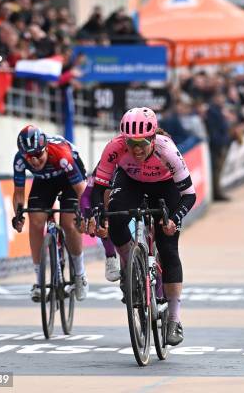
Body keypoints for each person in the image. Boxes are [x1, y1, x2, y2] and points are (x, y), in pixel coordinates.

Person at [86, 107, 196, 346]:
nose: (135, 149)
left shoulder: (167, 150)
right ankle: (129, 269)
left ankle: (174, 320)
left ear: (153, 138)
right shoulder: (114, 148)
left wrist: (174, 219)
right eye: (130, 143)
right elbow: (98, 188)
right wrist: (98, 214)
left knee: (168, 248)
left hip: (165, 188)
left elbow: (189, 195)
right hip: (131, 182)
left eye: (142, 143)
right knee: (115, 217)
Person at [11, 125, 89, 302]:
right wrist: (18, 215)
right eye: (30, 157)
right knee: (36, 221)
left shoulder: (62, 155)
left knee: (70, 223)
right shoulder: (20, 159)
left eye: (38, 155)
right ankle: (39, 282)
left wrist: (85, 213)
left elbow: (80, 190)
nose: (35, 161)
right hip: (44, 181)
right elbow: (18, 193)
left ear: (45, 148)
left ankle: (80, 274)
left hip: (70, 179)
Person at [79, 166, 119, 280]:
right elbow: (86, 196)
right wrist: (88, 217)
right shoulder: (104, 165)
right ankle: (111, 256)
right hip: (107, 197)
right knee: (99, 214)